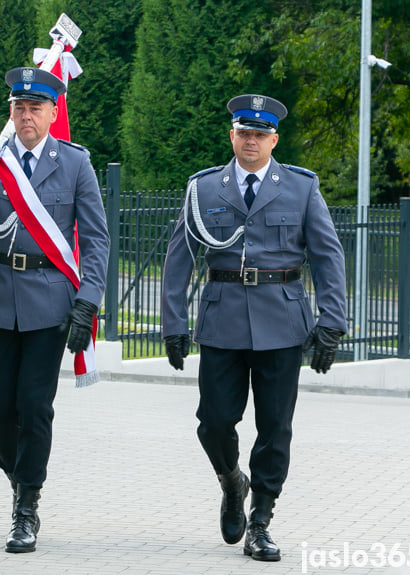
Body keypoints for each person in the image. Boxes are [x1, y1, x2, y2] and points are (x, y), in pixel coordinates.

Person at [161, 94, 346, 562]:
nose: (251, 140)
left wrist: (332, 323)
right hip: (222, 320)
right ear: (232, 135)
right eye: (244, 132)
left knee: (275, 427)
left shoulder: (301, 188)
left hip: (282, 323)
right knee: (214, 422)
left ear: (274, 139)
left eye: (260, 134)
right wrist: (173, 323)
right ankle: (231, 481)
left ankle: (260, 521)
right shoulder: (203, 189)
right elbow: (178, 256)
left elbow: (327, 256)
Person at [0, 66, 110, 553]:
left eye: (35, 108)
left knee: (35, 406)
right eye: (18, 107)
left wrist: (88, 301)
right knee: (1, 409)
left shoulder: (75, 163)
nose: (26, 115)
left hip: (49, 299)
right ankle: (19, 478)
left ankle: (26, 506)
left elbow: (96, 239)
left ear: (52, 113)